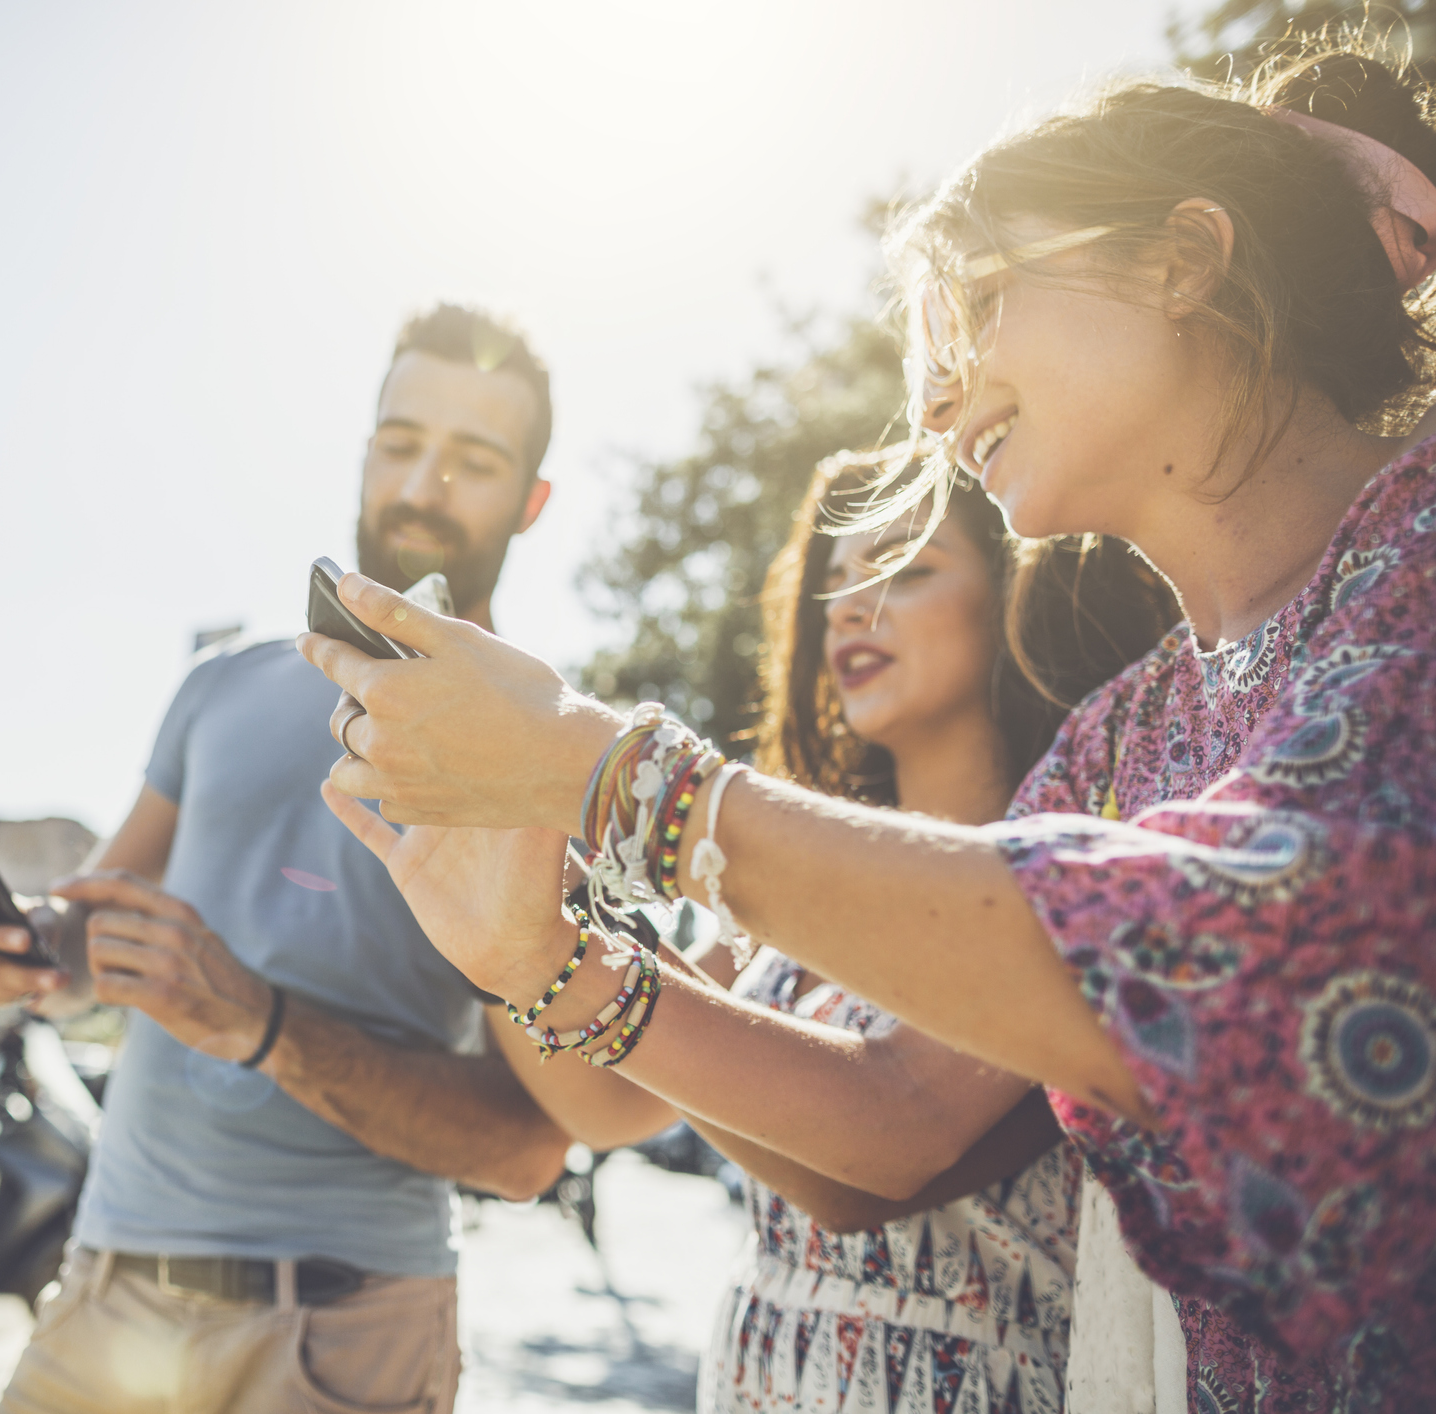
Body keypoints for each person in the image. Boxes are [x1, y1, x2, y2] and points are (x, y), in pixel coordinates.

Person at [298, 43, 1436, 1412]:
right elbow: (893, 1116)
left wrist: (598, 768)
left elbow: (1249, 961)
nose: (941, 403)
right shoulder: (1123, 739)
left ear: (1180, 259)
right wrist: (537, 950)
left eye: (982, 306)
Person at [0, 304, 572, 1414]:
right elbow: (92, 922)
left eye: (473, 461)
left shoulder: (547, 752)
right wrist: (24, 948)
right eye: (400, 442)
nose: (423, 485)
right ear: (364, 454)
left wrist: (261, 1022)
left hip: (342, 1335)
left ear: (530, 504)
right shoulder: (222, 686)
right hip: (103, 1300)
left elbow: (527, 1153)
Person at [480, 457, 1171, 1412]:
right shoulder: (784, 901)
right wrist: (509, 898)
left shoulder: (1062, 869)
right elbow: (604, 1112)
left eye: (905, 568)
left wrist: (549, 940)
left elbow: (872, 1160)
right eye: (837, 581)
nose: (849, 607)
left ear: (1021, 586)